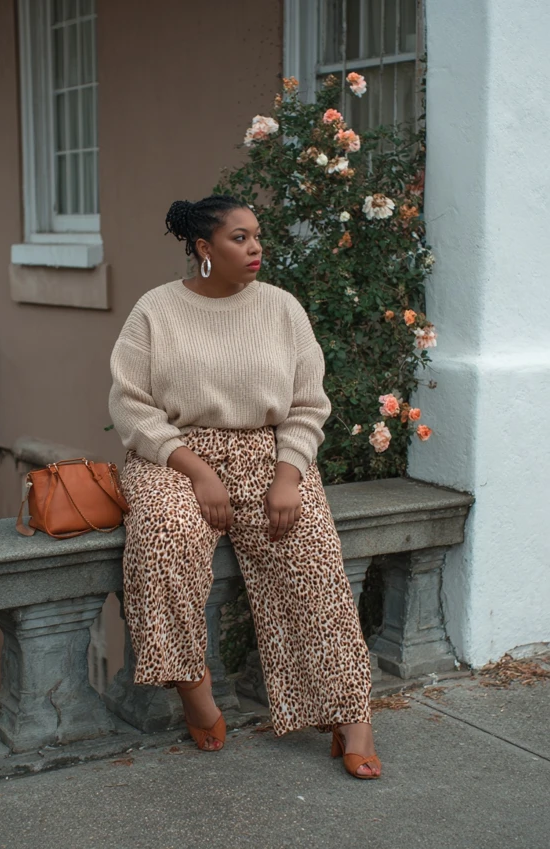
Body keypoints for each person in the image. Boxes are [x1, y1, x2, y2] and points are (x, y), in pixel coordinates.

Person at [108, 194, 381, 779]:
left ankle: (350, 714)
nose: (255, 247)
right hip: (172, 456)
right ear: (203, 248)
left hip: (266, 452)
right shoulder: (155, 309)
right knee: (165, 535)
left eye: (257, 236)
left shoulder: (282, 308)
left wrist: (289, 475)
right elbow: (131, 405)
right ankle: (192, 685)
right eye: (240, 238)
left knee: (311, 555)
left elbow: (308, 404)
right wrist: (199, 472)